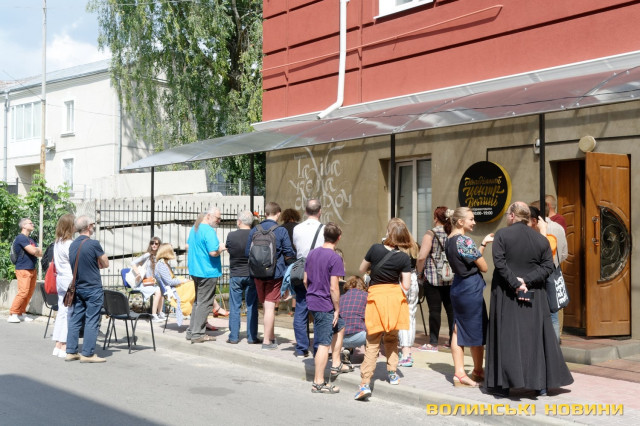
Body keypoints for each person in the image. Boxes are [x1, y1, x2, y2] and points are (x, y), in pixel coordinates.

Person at [486, 201, 574, 397]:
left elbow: (499, 263)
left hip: (506, 293)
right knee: (536, 338)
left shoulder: (502, 235)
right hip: (534, 293)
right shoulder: (541, 239)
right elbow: (548, 266)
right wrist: (526, 281)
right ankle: (540, 385)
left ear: (512, 216)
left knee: (507, 337)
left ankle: (503, 385)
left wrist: (516, 283)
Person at [354, 218, 412, 401]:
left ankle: (365, 384)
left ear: (389, 232)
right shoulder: (404, 258)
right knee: (392, 338)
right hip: (395, 299)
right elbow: (407, 285)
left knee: (372, 343)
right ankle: (393, 373)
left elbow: (361, 268)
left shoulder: (375, 249)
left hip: (376, 298)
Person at [445, 207, 494, 387]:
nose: (474, 222)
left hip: (458, 286)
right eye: (471, 219)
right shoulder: (464, 240)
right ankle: (475, 371)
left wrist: (483, 244)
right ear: (460, 221)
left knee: (457, 329)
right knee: (475, 328)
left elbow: (470, 259)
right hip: (470, 289)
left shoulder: (449, 239)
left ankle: (461, 372)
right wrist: (481, 248)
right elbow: (484, 267)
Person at [305, 223, 350, 393]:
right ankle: (318, 382)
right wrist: (337, 308)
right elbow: (334, 287)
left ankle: (336, 363)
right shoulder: (335, 258)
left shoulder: (312, 253)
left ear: (324, 235)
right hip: (325, 304)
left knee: (340, 326)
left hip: (313, 300)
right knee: (324, 344)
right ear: (339, 238)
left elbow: (305, 280)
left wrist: (312, 292)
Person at [245, 202, 295, 350]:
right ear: (278, 214)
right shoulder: (281, 231)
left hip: (257, 274)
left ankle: (271, 336)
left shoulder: (255, 229)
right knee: (270, 307)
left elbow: (247, 252)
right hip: (275, 273)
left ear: (265, 213)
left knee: (267, 306)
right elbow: (289, 252)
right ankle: (267, 341)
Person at [66, 216, 109, 363]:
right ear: (89, 226)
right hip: (93, 287)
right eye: (93, 224)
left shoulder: (72, 245)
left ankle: (71, 351)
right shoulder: (93, 244)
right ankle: (88, 354)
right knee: (92, 320)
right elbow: (105, 263)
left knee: (75, 318)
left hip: (78, 287)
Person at [416, 206, 454, 352]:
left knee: (434, 311)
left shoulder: (430, 233)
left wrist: (419, 273)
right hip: (450, 277)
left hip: (433, 277)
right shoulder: (452, 232)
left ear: (436, 217)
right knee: (451, 311)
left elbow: (421, 257)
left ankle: (433, 343)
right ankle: (453, 341)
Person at [186, 207, 226, 344]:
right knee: (204, 303)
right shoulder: (209, 231)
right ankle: (197, 334)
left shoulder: (195, 228)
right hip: (207, 271)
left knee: (198, 302)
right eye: (218, 218)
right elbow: (213, 252)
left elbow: (188, 246)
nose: (219, 221)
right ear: (209, 216)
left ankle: (192, 331)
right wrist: (221, 248)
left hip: (195, 269)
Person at [531, 200, 569, 341]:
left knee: (537, 312)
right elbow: (564, 253)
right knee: (553, 312)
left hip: (538, 273)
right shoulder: (558, 227)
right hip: (554, 271)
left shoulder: (534, 228)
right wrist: (555, 263)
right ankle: (555, 345)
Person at [291, 198, 325, 358]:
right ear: (320, 212)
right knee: (319, 309)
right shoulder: (324, 229)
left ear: (305, 211)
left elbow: (296, 247)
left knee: (301, 308)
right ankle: (318, 347)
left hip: (301, 268)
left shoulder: (297, 229)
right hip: (319, 270)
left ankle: (301, 348)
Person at [226, 210, 260, 344]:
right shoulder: (255, 235)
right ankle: (252, 336)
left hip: (236, 273)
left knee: (235, 306)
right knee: (252, 305)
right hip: (251, 273)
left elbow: (229, 250)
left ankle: (234, 337)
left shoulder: (231, 235)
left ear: (239, 221)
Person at [7, 218, 42, 323]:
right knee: (23, 292)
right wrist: (35, 250)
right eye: (30, 223)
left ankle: (21, 313)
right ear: (24, 226)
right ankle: (13, 313)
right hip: (23, 269)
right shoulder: (20, 238)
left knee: (29, 293)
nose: (33, 224)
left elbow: (40, 253)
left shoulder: (31, 239)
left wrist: (36, 250)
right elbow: (33, 251)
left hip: (32, 269)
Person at [51, 214, 75, 358]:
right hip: (69, 279)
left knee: (62, 310)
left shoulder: (57, 242)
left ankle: (57, 344)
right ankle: (64, 344)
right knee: (69, 312)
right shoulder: (69, 244)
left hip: (60, 278)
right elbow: (74, 262)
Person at [154, 243, 192, 325]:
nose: (173, 252)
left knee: (194, 285)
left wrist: (183, 280)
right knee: (194, 287)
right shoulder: (161, 265)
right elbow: (169, 282)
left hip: (174, 287)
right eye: (171, 250)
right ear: (167, 251)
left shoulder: (165, 263)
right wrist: (183, 281)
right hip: (171, 290)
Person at [398, 231, 420, 367]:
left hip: (402, 280)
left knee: (403, 317)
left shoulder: (398, 249)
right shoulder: (414, 246)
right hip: (413, 278)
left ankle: (405, 354)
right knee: (410, 316)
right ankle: (408, 352)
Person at [131, 237, 165, 322]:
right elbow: (133, 262)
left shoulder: (159, 257)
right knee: (158, 291)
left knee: (161, 289)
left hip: (152, 282)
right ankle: (154, 315)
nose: (154, 245)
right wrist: (138, 273)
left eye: (156, 243)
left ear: (159, 245)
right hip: (143, 283)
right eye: (152, 243)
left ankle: (159, 313)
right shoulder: (148, 255)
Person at [339, 275, 368, 364]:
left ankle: (347, 349)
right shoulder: (366, 296)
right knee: (371, 328)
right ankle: (369, 356)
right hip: (360, 337)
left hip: (340, 339)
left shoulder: (341, 297)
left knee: (347, 324)